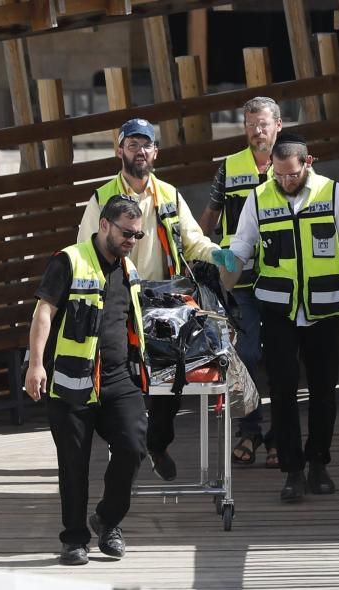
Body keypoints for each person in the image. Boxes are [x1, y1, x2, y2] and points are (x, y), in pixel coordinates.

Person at [77, 118, 236, 483]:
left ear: (155, 152)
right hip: (118, 296)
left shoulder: (169, 194)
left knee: (170, 377)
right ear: (119, 150)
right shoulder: (102, 198)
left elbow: (194, 241)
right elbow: (85, 250)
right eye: (132, 144)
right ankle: (126, 443)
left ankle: (157, 443)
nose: (139, 152)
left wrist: (217, 254)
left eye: (145, 145)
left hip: (163, 299)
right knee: (120, 374)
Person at [220, 133, 339, 503]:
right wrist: (225, 275)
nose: (285, 182)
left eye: (291, 175)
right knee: (283, 391)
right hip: (278, 312)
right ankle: (292, 471)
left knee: (324, 393)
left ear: (308, 163)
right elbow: (240, 249)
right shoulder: (259, 197)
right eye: (279, 175)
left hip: (324, 310)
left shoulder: (332, 193)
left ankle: (319, 463)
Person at [25, 195, 150, 566]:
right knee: (74, 462)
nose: (131, 240)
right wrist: (35, 365)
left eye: (137, 235)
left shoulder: (129, 270)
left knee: (132, 445)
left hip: (116, 379)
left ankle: (108, 520)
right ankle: (74, 539)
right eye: (126, 233)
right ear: (105, 225)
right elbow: (43, 311)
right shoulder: (68, 260)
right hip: (71, 379)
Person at [198, 96, 282, 469]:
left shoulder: (296, 163)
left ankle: (279, 436)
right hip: (242, 277)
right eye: (250, 124)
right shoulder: (229, 168)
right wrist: (202, 257)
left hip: (284, 277)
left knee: (283, 358)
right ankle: (250, 430)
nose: (257, 131)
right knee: (246, 355)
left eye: (263, 124)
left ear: (277, 125)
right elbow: (211, 215)